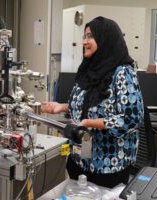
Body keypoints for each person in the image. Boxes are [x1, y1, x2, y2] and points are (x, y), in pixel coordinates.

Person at [42, 16, 144, 188]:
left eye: (90, 36)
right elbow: (89, 105)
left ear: (105, 39)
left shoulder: (122, 73)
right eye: (84, 36)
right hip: (79, 160)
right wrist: (62, 107)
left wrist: (90, 123)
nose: (84, 41)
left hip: (109, 166)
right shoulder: (88, 70)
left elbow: (131, 118)